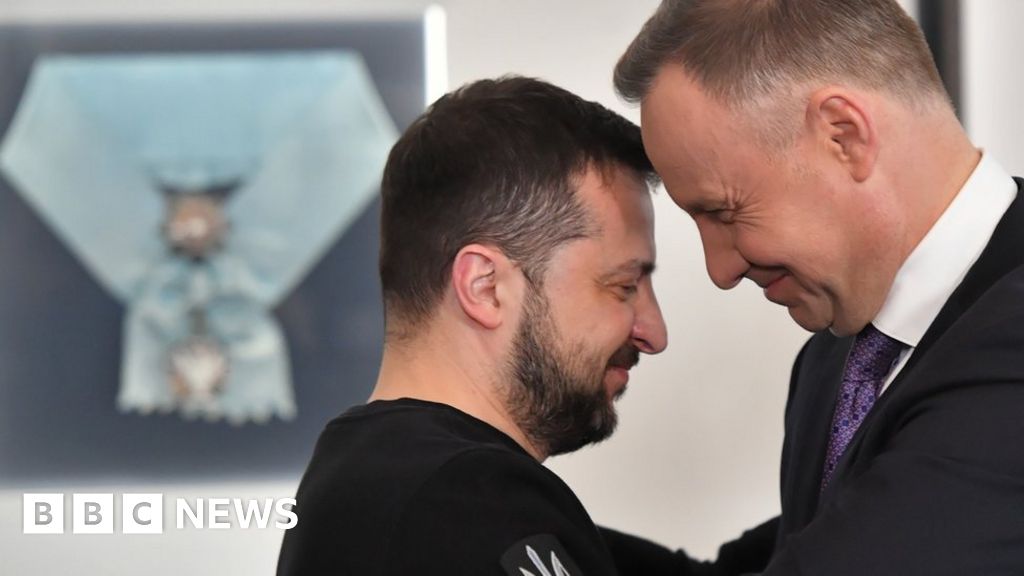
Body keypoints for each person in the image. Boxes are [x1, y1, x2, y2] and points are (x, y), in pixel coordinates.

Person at [603, 0, 1024, 574]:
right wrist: (500, 506)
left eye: (724, 213)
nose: (719, 270)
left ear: (844, 135)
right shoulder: (835, 359)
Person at [276, 76, 667, 576]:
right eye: (622, 286)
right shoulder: (459, 502)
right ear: (485, 287)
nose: (654, 333)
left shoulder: (391, 484)